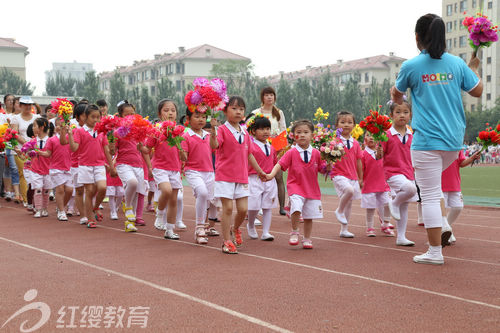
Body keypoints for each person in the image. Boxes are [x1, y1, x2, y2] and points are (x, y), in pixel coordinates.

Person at [391, 13, 482, 265]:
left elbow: (397, 98)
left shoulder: (411, 66)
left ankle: (434, 252)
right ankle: (442, 225)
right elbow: (477, 90)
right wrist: (473, 69)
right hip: (453, 142)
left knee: (429, 194)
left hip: (427, 142)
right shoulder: (456, 63)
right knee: (435, 189)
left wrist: (396, 92)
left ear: (418, 37)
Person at [210, 96, 266, 254]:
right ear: (225, 110)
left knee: (243, 210)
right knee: (227, 209)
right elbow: (214, 146)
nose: (238, 112)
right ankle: (226, 241)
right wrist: (213, 131)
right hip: (225, 176)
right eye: (234, 108)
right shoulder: (221, 130)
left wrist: (260, 172)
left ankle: (235, 229)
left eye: (241, 109)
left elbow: (250, 155)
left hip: (241, 176)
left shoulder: (245, 132)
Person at [266, 119, 326, 249]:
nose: (302, 135)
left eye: (306, 132)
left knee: (309, 216)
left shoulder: (316, 153)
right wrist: (271, 175)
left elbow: (322, 169)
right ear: (293, 136)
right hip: (295, 187)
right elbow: (279, 164)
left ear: (312, 135)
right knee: (297, 208)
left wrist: (330, 165)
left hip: (312, 190)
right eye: (299, 132)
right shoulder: (291, 152)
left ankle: (307, 238)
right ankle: (294, 231)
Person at [66, 104, 115, 228]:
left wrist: (112, 166)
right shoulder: (80, 131)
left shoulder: (101, 132)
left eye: (98, 117)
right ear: (86, 117)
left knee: (102, 188)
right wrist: (70, 135)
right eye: (93, 117)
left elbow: (106, 150)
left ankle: (96, 206)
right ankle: (90, 219)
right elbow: (74, 148)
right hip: (85, 166)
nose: (96, 120)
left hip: (99, 165)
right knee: (89, 191)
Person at [380, 102, 417, 246]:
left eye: (406, 112)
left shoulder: (412, 135)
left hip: (408, 172)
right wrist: (378, 151)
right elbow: (379, 156)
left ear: (411, 115)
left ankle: (401, 237)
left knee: (405, 205)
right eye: (398, 112)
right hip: (392, 172)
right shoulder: (386, 134)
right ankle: (393, 202)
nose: (402, 115)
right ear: (391, 115)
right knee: (410, 190)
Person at [180, 107, 219, 244]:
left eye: (203, 117)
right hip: (193, 171)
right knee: (202, 193)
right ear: (188, 119)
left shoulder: (208, 135)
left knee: (212, 199)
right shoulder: (185, 136)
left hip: (209, 172)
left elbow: (216, 148)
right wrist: (177, 146)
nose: (201, 119)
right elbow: (184, 157)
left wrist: (214, 130)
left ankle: (207, 226)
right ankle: (199, 227)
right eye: (197, 116)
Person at [147, 99, 184, 240]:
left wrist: (183, 155)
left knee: (174, 200)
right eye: (166, 110)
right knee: (167, 191)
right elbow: (147, 148)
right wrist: (141, 146)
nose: (170, 113)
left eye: (173, 111)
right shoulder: (156, 130)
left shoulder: (179, 131)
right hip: (160, 167)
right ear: (159, 113)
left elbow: (184, 155)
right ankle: (159, 214)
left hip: (174, 168)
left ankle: (169, 229)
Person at [111, 100, 148, 232]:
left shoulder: (139, 131)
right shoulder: (117, 133)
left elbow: (144, 150)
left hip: (138, 165)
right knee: (132, 183)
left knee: (137, 193)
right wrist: (112, 165)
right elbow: (112, 151)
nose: (130, 117)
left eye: (133, 114)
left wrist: (149, 166)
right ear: (121, 116)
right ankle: (127, 206)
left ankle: (129, 223)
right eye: (127, 115)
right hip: (123, 164)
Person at [252, 87, 287, 215]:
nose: (269, 97)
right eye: (266, 95)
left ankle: (282, 207)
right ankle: (257, 206)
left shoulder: (279, 112)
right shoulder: (256, 112)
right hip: (260, 147)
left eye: (271, 95)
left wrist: (281, 149)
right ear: (262, 98)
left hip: (276, 147)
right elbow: (250, 129)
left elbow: (283, 130)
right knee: (259, 176)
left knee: (278, 176)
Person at [246, 113, 278, 241]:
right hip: (254, 179)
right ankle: (251, 225)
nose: (266, 132)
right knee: (253, 206)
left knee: (267, 206)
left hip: (269, 180)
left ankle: (266, 232)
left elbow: (275, 163)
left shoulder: (271, 147)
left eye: (268, 129)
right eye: (262, 129)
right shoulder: (251, 146)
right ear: (254, 131)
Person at [332, 111, 363, 238]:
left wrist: (360, 178)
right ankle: (339, 210)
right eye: (343, 122)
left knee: (349, 203)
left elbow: (359, 160)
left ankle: (344, 229)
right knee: (349, 191)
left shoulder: (355, 143)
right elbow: (327, 158)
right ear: (337, 124)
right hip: (338, 174)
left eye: (350, 122)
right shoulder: (334, 141)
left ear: (354, 125)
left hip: (352, 176)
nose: (346, 125)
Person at [441, 150, 481, 243]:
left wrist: (472, 158)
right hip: (439, 183)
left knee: (458, 207)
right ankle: (445, 230)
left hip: (454, 182)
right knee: (441, 209)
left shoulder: (457, 146)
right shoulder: (438, 144)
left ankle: (447, 228)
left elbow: (461, 163)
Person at [37, 117, 73, 221]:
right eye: (58, 125)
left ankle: (60, 207)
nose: (60, 127)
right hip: (56, 168)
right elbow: (48, 153)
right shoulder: (51, 140)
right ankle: (62, 211)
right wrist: (40, 152)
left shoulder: (70, 138)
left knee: (70, 190)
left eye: (62, 125)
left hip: (68, 168)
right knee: (60, 189)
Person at [361, 133, 394, 237]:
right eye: (368, 135)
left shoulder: (383, 152)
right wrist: (360, 180)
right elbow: (361, 169)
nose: (371, 137)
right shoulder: (363, 154)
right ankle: (370, 228)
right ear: (364, 138)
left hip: (383, 185)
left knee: (388, 204)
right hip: (369, 186)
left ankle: (386, 224)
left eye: (373, 135)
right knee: (370, 208)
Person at [10, 96, 41, 204]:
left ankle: (35, 198)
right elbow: (14, 133)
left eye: (30, 105)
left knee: (35, 173)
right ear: (20, 106)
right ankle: (26, 200)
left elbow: (41, 132)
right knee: (23, 174)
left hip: (36, 150)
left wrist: (33, 145)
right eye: (25, 105)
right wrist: (27, 144)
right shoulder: (16, 118)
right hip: (20, 150)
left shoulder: (37, 117)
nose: (28, 107)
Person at [29, 118, 55, 218]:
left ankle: (45, 209)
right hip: (35, 169)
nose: (33, 128)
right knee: (38, 189)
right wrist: (21, 152)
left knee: (46, 190)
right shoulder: (32, 141)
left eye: (34, 125)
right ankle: (38, 209)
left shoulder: (51, 141)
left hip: (48, 170)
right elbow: (26, 155)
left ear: (41, 127)